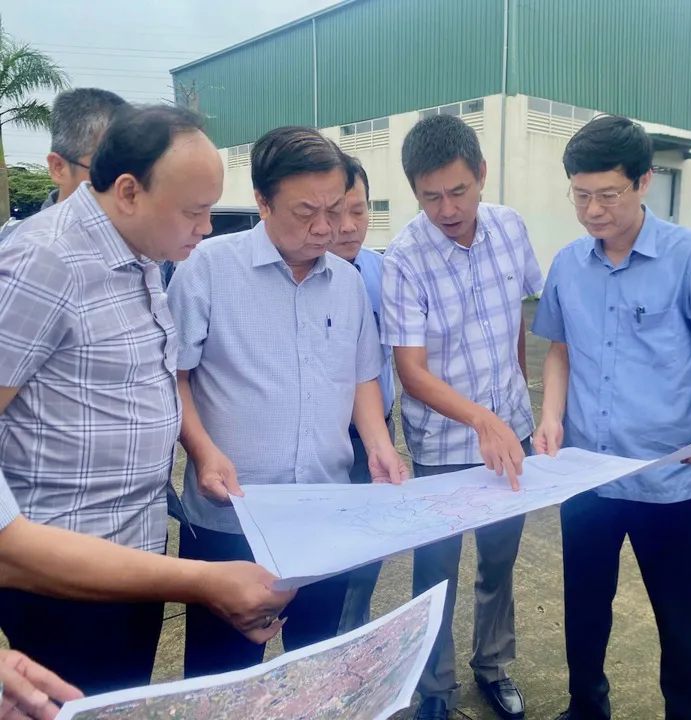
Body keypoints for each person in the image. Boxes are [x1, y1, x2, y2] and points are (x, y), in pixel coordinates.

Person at [0, 104, 292, 694]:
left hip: (136, 553)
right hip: (63, 575)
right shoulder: (44, 261)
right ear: (130, 192)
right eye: (194, 211)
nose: (206, 228)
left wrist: (199, 449)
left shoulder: (142, 253)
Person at [530, 115, 691, 720]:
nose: (593, 210)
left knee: (683, 627)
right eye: (581, 195)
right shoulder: (568, 264)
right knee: (584, 614)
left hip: (671, 481)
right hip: (587, 477)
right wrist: (550, 416)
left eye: (608, 194)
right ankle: (587, 709)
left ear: (643, 182)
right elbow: (559, 350)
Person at [166, 126, 407, 678]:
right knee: (222, 680)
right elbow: (173, 378)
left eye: (336, 209)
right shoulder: (207, 268)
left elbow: (361, 378)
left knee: (316, 667)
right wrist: (201, 451)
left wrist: (379, 445)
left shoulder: (347, 283)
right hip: (231, 520)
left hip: (323, 516)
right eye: (305, 212)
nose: (325, 227)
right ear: (263, 201)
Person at [380, 113, 542, 720]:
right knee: (436, 571)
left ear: (481, 174)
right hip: (443, 445)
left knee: (500, 561)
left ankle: (493, 665)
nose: (447, 209)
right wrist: (481, 419)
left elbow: (516, 317)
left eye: (458, 191)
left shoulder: (510, 227)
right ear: (413, 190)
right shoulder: (404, 258)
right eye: (431, 197)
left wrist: (514, 401)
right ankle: (435, 688)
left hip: (512, 431)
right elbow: (412, 371)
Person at [0, 466, 290, 719]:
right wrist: (205, 582)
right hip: (55, 576)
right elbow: (8, 549)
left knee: (124, 695)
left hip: (142, 546)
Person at [327, 157, 397, 634]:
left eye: (360, 210)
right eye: (338, 213)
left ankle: (354, 641)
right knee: (329, 558)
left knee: (369, 553)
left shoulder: (383, 271)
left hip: (375, 434)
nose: (349, 226)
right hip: (327, 437)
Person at [0, 88, 127, 243]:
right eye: (109, 171)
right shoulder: (16, 247)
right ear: (58, 168)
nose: (126, 186)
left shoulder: (143, 245)